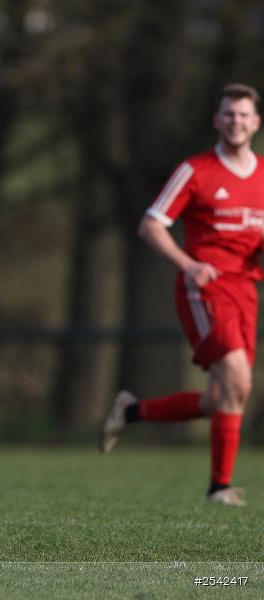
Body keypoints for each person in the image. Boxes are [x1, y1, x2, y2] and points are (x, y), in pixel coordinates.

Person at [99, 83, 264, 507]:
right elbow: (151, 225)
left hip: (246, 290)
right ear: (217, 120)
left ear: (256, 122)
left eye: (244, 115)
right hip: (204, 290)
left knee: (221, 398)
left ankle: (130, 412)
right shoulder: (196, 170)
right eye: (229, 114)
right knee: (238, 380)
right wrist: (189, 264)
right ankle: (218, 488)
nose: (236, 121)